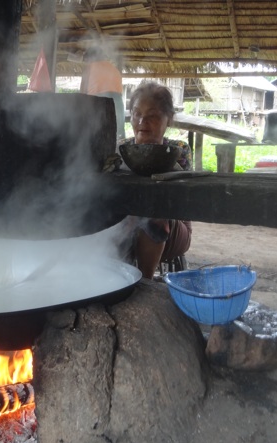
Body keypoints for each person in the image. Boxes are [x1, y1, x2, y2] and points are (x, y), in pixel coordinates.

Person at [121, 82, 192, 279]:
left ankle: (145, 283)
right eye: (136, 113)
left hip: (172, 225)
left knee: (153, 213)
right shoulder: (121, 150)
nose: (142, 121)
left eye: (152, 115)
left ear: (168, 119)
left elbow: (179, 199)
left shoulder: (178, 151)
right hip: (126, 221)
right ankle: (113, 279)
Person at [80, 47, 126, 140]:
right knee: (117, 137)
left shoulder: (89, 68)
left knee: (96, 137)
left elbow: (82, 94)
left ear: (91, 58)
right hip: (118, 105)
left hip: (99, 102)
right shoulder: (115, 69)